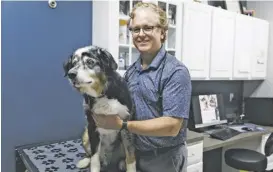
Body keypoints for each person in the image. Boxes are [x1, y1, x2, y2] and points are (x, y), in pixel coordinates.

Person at [93, 2, 192, 172]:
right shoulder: (131, 72)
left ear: (162, 32)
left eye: (147, 28)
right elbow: (123, 107)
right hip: (134, 155)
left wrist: (122, 125)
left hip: (164, 159)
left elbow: (172, 126)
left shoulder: (175, 72)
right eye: (135, 29)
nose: (141, 34)